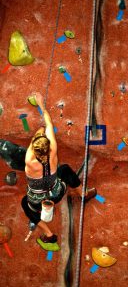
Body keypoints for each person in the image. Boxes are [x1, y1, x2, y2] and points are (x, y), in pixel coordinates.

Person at [21, 93, 96, 251]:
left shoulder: (30, 161)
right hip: (57, 192)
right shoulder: (53, 151)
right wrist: (41, 105)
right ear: (48, 146)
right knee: (64, 169)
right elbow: (49, 123)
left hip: (37, 200)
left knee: (25, 204)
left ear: (34, 149)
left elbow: (34, 140)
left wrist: (38, 132)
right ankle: (83, 194)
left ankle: (49, 235)